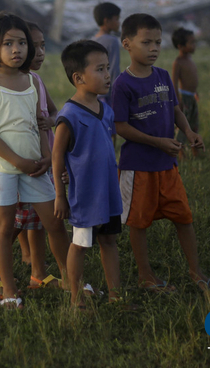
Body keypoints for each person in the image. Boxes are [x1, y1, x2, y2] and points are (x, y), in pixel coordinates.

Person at [112, 13, 210, 292]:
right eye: (146, 42)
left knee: (184, 217)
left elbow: (175, 110)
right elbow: (120, 126)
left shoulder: (162, 76)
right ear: (127, 44)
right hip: (138, 166)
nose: (154, 48)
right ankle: (146, 276)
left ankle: (196, 272)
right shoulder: (123, 84)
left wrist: (190, 132)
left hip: (167, 165)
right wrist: (157, 141)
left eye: (157, 42)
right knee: (139, 222)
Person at [0, 12, 70, 309]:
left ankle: (71, 279)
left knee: (54, 223)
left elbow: (41, 120)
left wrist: (44, 159)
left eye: (21, 43)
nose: (17, 50)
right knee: (4, 230)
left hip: (35, 168)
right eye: (7, 44)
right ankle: (8, 291)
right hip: (3, 169)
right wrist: (18, 161)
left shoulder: (32, 82)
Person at [53, 40, 123, 309]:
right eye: (100, 69)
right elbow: (57, 155)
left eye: (108, 68)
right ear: (78, 77)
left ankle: (117, 296)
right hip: (85, 195)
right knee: (80, 245)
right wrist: (60, 195)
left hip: (108, 192)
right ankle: (75, 297)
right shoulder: (69, 114)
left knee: (109, 241)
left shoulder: (106, 110)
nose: (108, 75)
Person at [93, 2, 121, 144]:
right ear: (107, 20)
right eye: (117, 19)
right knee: (111, 132)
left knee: (100, 130)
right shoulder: (112, 41)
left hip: (95, 93)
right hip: (109, 93)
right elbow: (114, 69)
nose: (119, 22)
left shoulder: (93, 40)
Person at [171, 27, 200, 158]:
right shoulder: (178, 62)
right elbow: (174, 83)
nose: (194, 45)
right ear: (181, 46)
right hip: (184, 99)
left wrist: (195, 92)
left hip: (191, 97)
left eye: (194, 42)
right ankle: (180, 151)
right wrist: (178, 101)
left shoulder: (190, 59)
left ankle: (195, 150)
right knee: (184, 126)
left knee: (194, 125)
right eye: (191, 43)